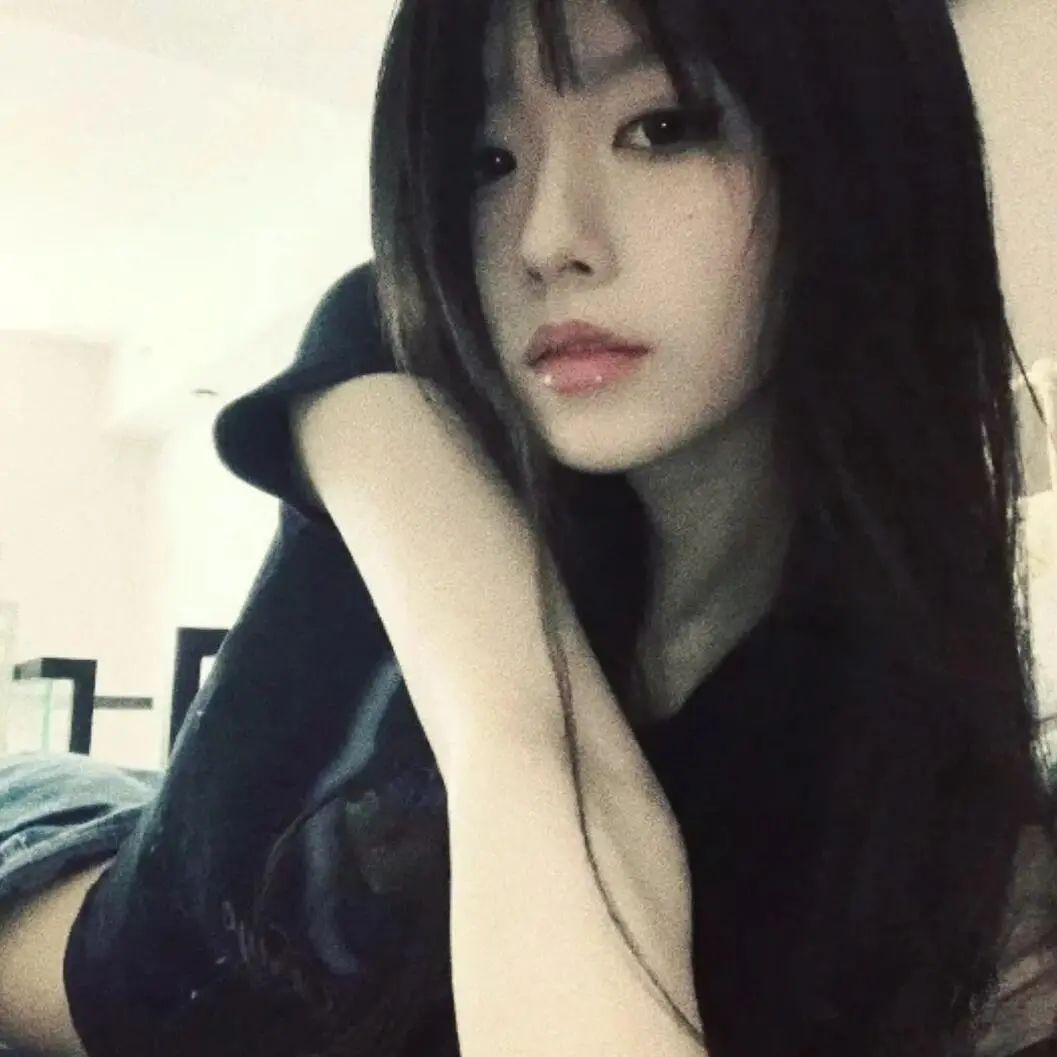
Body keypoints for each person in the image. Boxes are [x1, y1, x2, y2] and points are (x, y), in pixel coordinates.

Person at [1, 0, 1055, 1054]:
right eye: (487, 160)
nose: (547, 242)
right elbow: (529, 749)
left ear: (860, 152)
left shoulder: (914, 793)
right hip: (43, 856)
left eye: (662, 127)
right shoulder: (392, 372)